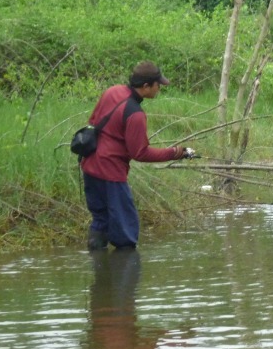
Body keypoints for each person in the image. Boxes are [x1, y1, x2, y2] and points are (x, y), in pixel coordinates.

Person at [81, 60, 195, 251]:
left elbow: (93, 122)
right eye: (158, 85)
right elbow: (140, 153)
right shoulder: (135, 114)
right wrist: (175, 153)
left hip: (89, 166)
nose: (159, 88)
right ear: (146, 86)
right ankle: (126, 276)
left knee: (100, 221)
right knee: (126, 235)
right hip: (111, 174)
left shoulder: (112, 91)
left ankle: (99, 274)